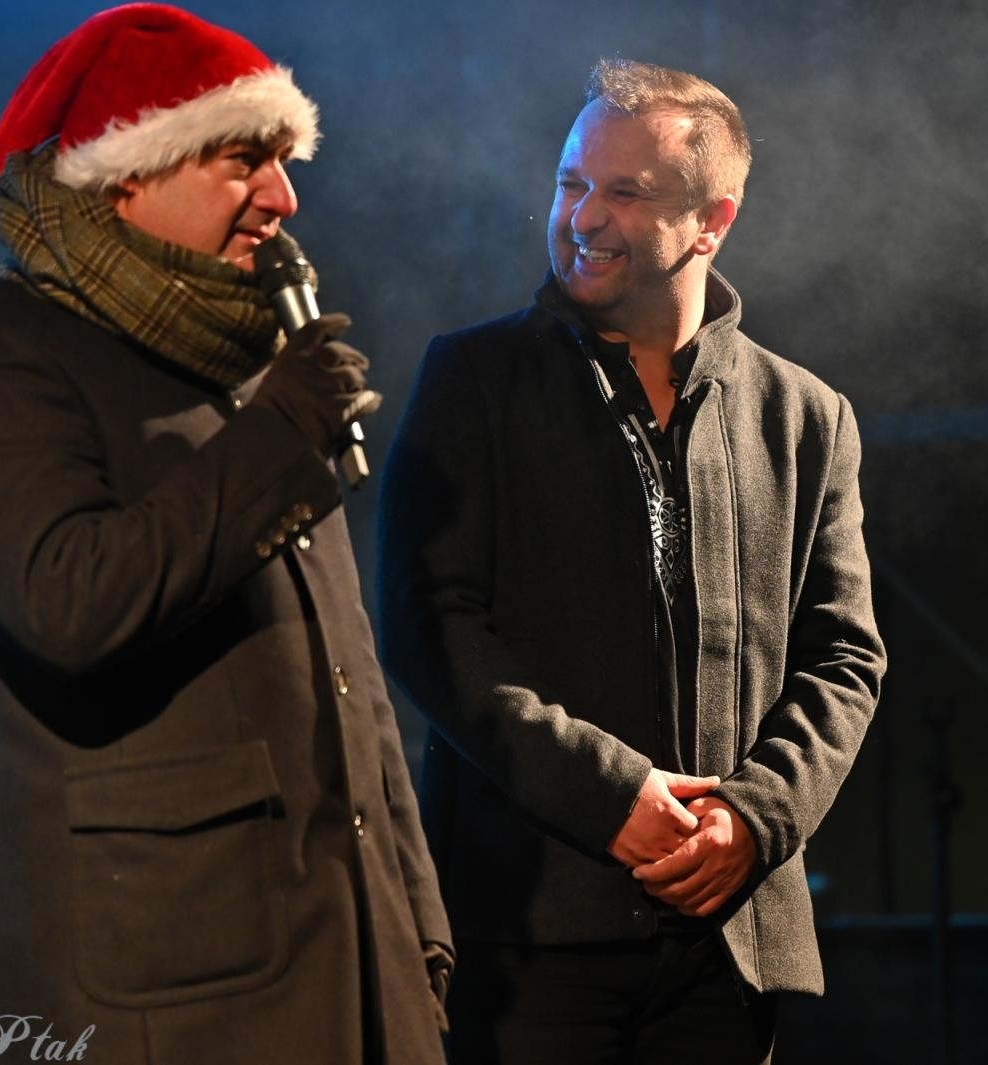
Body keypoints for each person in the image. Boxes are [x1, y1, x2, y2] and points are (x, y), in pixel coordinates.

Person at [0, 5, 449, 1061]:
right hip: (163, 996)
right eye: (244, 160)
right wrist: (280, 439)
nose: (284, 198)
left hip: (355, 975)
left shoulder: (248, 362)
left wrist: (416, 929)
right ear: (128, 174)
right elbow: (69, 606)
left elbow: (351, 685)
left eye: (284, 162)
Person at [377, 58, 886, 1063]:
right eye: (571, 182)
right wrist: (610, 796)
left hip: (726, 941)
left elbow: (845, 659)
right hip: (525, 928)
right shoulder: (472, 377)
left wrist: (755, 819)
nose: (582, 216)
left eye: (624, 191)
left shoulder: (806, 415)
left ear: (713, 220)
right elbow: (427, 623)